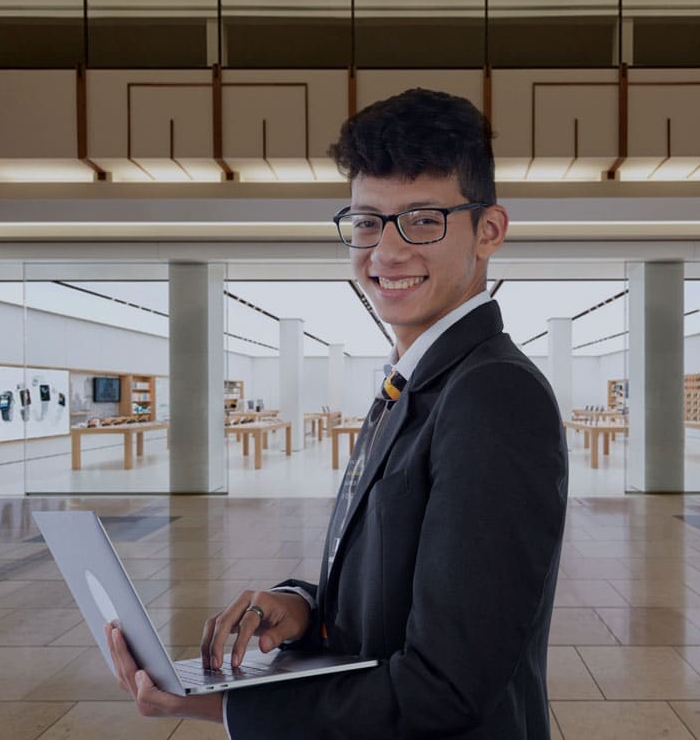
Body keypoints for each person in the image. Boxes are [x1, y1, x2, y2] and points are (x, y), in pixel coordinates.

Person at [107, 87, 568, 738]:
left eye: (424, 220)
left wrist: (214, 703)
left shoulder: (492, 394)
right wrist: (301, 607)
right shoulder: (420, 382)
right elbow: (398, 598)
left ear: (489, 230)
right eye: (368, 221)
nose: (386, 251)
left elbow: (449, 686)